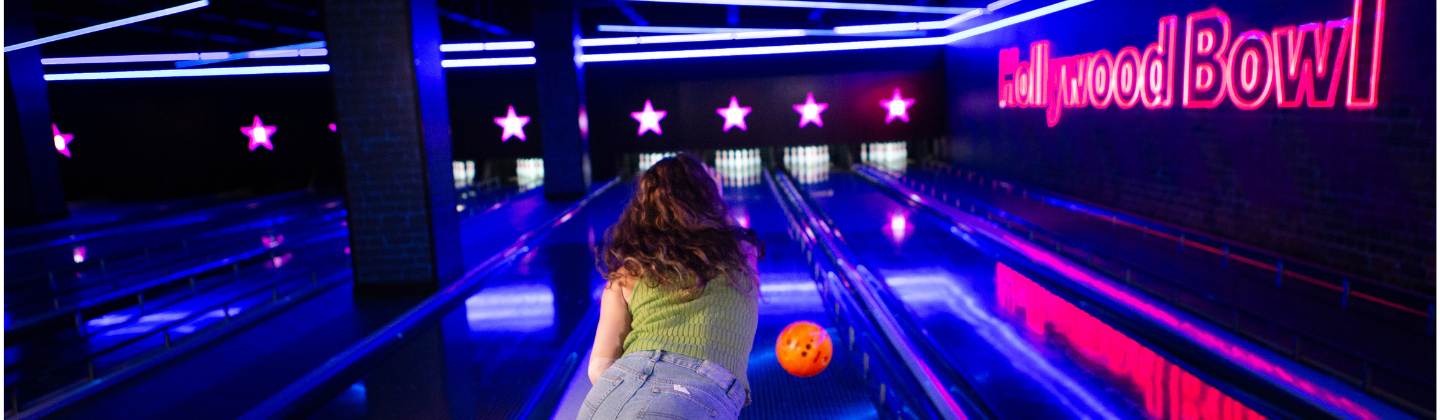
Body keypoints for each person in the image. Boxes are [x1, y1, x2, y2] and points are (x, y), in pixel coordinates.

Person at [579, 154, 763, 420]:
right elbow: (724, 226)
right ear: (710, 198)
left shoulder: (627, 271)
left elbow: (599, 365)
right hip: (692, 393)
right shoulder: (742, 253)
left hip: (611, 394)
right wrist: (714, 193)